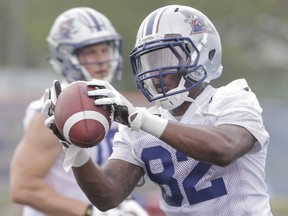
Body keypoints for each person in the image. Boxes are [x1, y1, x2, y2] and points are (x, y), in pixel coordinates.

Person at [43, 5, 273, 216]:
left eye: (165, 57)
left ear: (202, 54)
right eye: (149, 61)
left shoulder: (232, 97)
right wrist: (74, 149)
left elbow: (224, 149)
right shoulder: (139, 125)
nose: (156, 70)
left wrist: (140, 119)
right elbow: (107, 196)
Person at [10, 7, 148, 216]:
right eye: (91, 52)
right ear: (66, 57)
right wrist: (90, 212)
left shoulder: (112, 101)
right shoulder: (54, 110)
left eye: (105, 49)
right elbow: (24, 189)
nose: (102, 59)